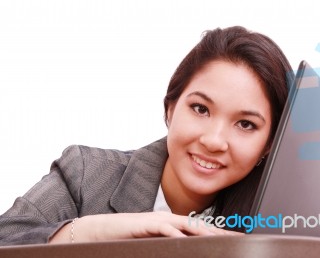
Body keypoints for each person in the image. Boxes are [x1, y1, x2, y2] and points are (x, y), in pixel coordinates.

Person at [0, 26, 293, 245]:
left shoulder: (270, 223)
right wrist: (100, 229)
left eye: (245, 124)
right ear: (170, 109)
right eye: (201, 108)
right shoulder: (86, 174)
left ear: (268, 146)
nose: (213, 140)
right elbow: (7, 239)